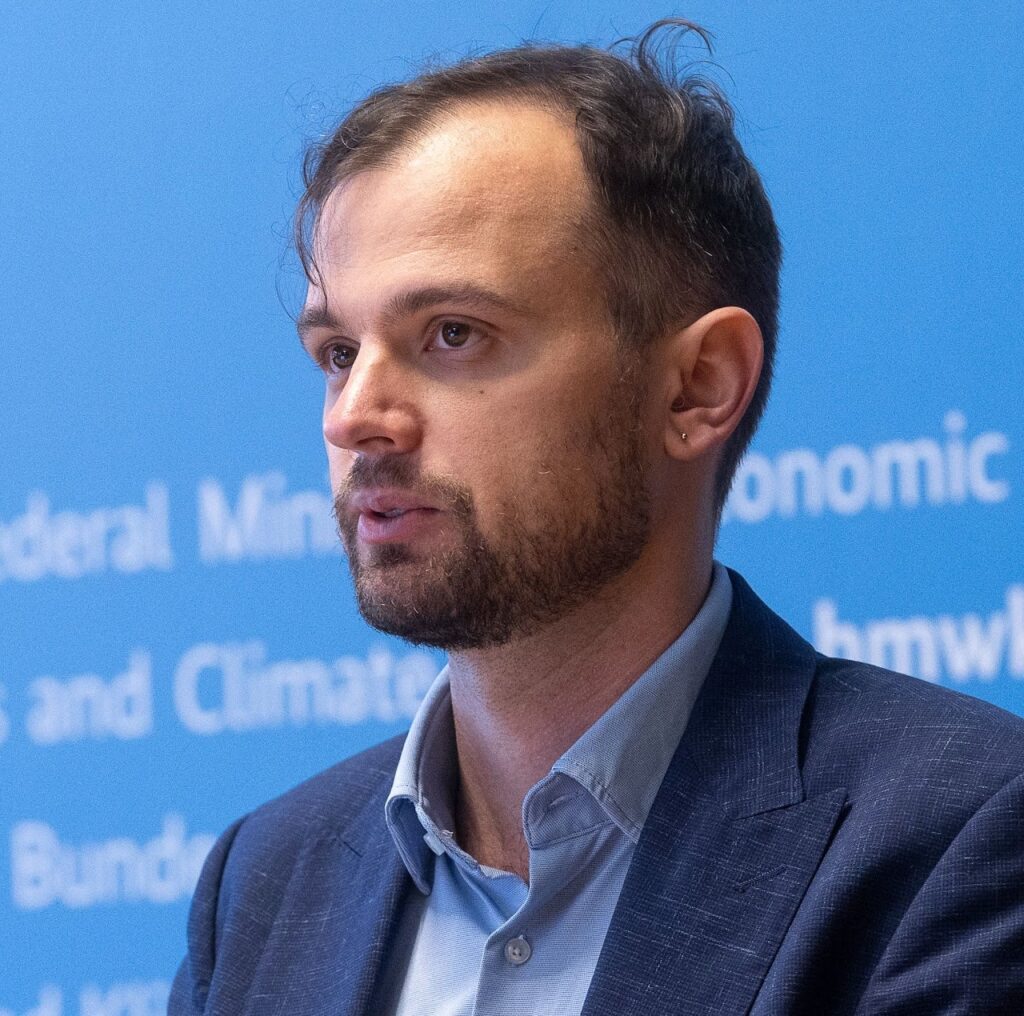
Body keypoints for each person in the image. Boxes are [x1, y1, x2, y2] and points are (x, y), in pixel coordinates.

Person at [170, 20, 1024, 1015]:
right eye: (336, 350)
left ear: (697, 386)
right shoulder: (265, 886)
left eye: (452, 333)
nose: (356, 414)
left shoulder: (952, 840)